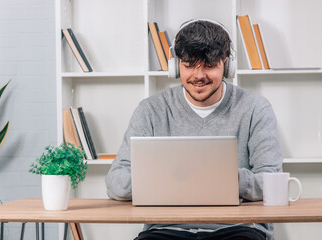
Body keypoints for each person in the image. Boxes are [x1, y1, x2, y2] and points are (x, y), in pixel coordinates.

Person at [105, 19, 283, 240]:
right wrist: (165, 179)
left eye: (209, 65)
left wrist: (225, 179)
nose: (199, 75)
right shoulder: (151, 110)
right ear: (175, 66)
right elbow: (116, 181)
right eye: (189, 65)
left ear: (226, 65)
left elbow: (273, 181)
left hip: (238, 229)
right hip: (165, 230)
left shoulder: (256, 108)